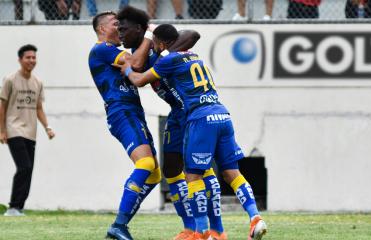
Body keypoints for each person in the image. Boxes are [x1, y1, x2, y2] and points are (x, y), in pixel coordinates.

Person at [118, 24, 267, 240]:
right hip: (221, 113)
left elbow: (139, 79)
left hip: (198, 117)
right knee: (231, 172)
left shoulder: (167, 60)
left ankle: (202, 232)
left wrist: (129, 69)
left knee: (194, 175)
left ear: (160, 44)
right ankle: (254, 217)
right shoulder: (193, 55)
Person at [116, 6, 226, 240]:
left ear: (139, 29)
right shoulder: (136, 51)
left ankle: (214, 229)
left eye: (124, 30)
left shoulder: (158, 43)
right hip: (177, 114)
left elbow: (193, 34)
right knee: (171, 169)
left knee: (199, 168)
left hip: (194, 112)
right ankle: (189, 229)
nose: (120, 35)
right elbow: (135, 64)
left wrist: (162, 51)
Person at [88, 11, 161, 240]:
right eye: (115, 24)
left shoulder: (116, 52)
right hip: (122, 111)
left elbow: (135, 71)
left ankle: (121, 224)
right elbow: (136, 64)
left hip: (133, 112)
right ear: (102, 29)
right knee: (146, 162)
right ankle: (119, 224)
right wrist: (149, 33)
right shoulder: (102, 49)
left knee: (154, 174)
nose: (119, 28)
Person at [0, 44, 55, 217]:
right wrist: (2, 131)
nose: (31, 60)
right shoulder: (10, 80)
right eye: (28, 57)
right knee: (24, 166)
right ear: (20, 59)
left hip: (31, 132)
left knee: (28, 169)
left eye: (34, 57)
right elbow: (2, 106)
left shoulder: (37, 82)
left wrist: (47, 128)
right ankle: (13, 207)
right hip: (14, 129)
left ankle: (19, 208)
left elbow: (38, 108)